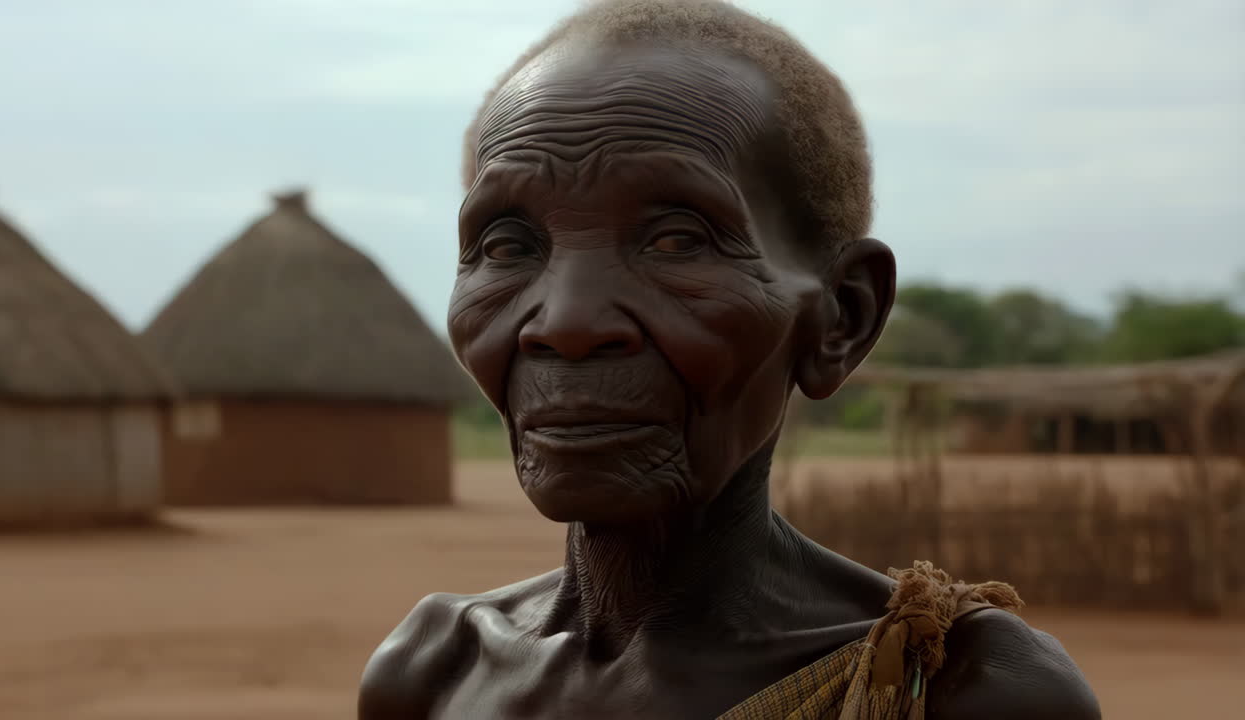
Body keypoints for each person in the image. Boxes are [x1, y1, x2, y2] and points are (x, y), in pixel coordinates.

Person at [359, 1, 1101, 717]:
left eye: (677, 239)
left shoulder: (952, 689)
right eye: (505, 246)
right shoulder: (434, 671)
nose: (566, 324)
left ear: (842, 316)